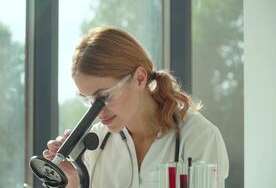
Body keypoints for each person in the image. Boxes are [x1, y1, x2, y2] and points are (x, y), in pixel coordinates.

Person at [43, 26, 229, 188]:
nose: (98, 112)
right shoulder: (98, 142)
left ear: (140, 78)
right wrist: (73, 180)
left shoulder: (199, 138)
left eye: (104, 97)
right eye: (89, 101)